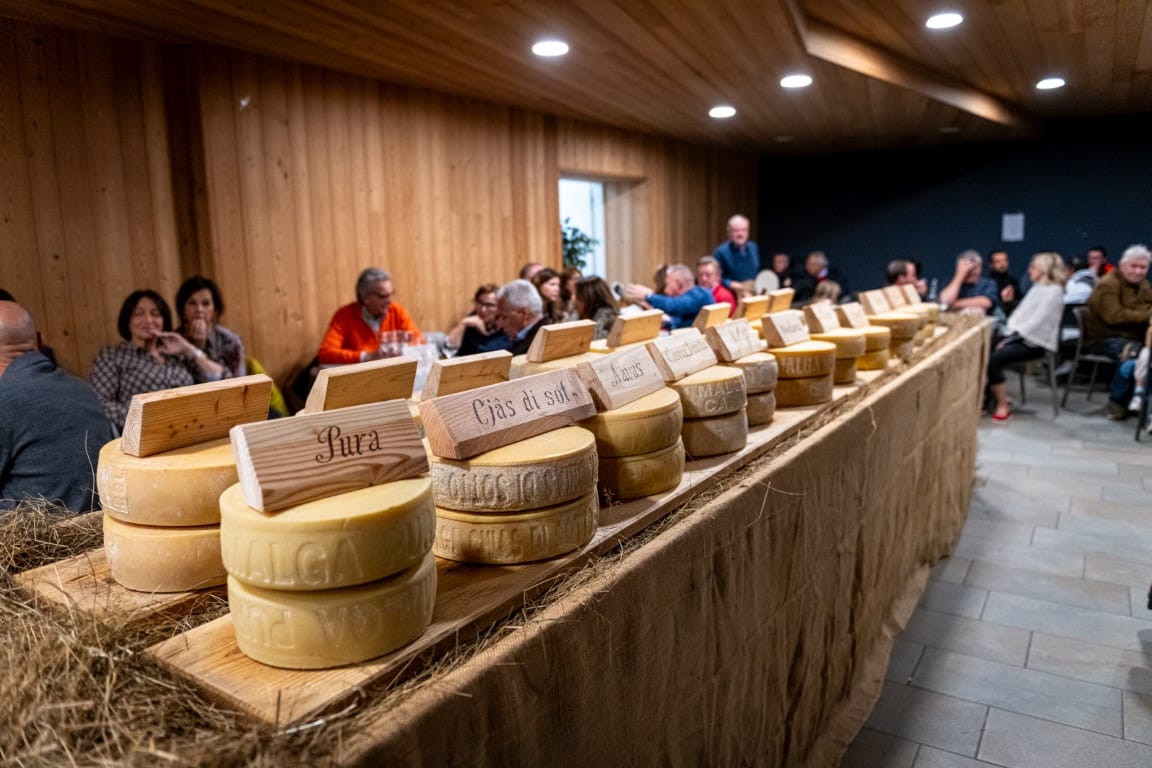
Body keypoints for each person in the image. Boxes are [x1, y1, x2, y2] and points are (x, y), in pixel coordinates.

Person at [1, 301, 116, 512]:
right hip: (97, 521)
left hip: (34, 530)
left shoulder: (4, 396)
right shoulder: (83, 389)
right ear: (39, 340)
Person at [90, 290, 221, 433]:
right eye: (138, 314)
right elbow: (101, 402)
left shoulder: (178, 354)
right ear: (127, 320)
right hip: (146, 434)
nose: (148, 320)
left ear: (164, 321)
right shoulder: (112, 356)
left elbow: (219, 381)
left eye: (155, 314)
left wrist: (189, 349)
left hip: (194, 427)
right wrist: (145, 421)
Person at [983, 252, 1067, 423]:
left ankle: (1002, 406)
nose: (1029, 270)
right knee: (985, 347)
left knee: (995, 358)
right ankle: (986, 398)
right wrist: (1008, 334)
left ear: (1043, 269)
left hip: (1037, 343)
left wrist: (1008, 340)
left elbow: (1037, 323)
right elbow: (1020, 316)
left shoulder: (1054, 292)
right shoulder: (1038, 288)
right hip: (1021, 337)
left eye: (1033, 267)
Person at [1083, 244, 1152, 419]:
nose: (1138, 271)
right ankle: (1117, 403)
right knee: (1133, 353)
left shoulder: (1144, 285)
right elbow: (1114, 317)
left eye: (1143, 267)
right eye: (1134, 266)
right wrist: (1147, 314)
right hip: (1103, 337)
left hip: (1132, 335)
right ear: (1122, 265)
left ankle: (1143, 403)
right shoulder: (1108, 284)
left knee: (1145, 352)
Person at [318, 268, 423, 365]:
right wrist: (365, 357)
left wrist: (404, 349)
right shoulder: (344, 315)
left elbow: (420, 342)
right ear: (365, 298)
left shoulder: (396, 310)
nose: (389, 301)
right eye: (383, 296)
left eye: (390, 294)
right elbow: (325, 354)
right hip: (360, 375)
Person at [175, 276, 245, 378]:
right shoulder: (174, 341)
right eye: (192, 303)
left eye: (206, 304)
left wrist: (199, 352)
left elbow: (239, 381)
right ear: (183, 310)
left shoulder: (230, 340)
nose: (199, 309)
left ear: (215, 310)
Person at [624, 264, 712, 330]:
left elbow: (673, 305)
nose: (665, 290)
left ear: (679, 284)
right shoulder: (696, 295)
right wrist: (666, 322)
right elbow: (681, 324)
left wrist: (648, 295)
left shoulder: (700, 296)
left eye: (667, 284)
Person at [446, 283, 512, 357]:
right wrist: (463, 323)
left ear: (500, 307)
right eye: (480, 303)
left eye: (489, 305)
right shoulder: (473, 318)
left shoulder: (507, 327)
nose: (483, 309)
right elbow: (449, 350)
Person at [495, 279, 548, 355]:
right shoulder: (544, 332)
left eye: (504, 317)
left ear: (524, 314)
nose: (499, 324)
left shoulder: (534, 348)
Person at [939, 249, 999, 315]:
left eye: (974, 268)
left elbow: (987, 302)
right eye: (965, 267)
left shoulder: (987, 283)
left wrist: (954, 304)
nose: (970, 271)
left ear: (980, 268)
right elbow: (945, 301)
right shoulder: (951, 282)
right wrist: (960, 275)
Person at [712, 214, 761, 290]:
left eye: (744, 230)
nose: (740, 234)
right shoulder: (720, 252)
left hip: (754, 291)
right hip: (732, 293)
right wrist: (730, 284)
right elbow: (716, 278)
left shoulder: (754, 247)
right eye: (736, 230)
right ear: (729, 232)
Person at [988, 249, 1022, 315]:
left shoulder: (1013, 281)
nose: (1002, 264)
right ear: (991, 265)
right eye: (998, 262)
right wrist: (1004, 301)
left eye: (1005, 260)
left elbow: (1021, 302)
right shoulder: (987, 284)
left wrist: (1010, 302)